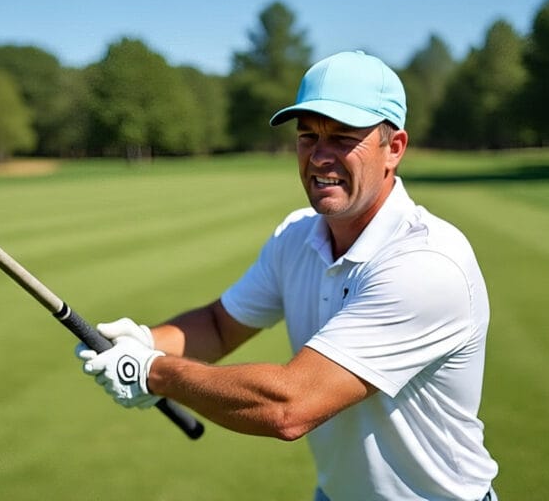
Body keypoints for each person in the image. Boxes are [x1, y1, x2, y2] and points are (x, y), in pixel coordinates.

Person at [77, 50, 499, 500]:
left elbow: (289, 406)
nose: (319, 157)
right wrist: (143, 343)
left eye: (342, 137)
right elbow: (220, 325)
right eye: (307, 137)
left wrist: (155, 373)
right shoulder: (297, 236)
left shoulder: (426, 263)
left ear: (392, 148)